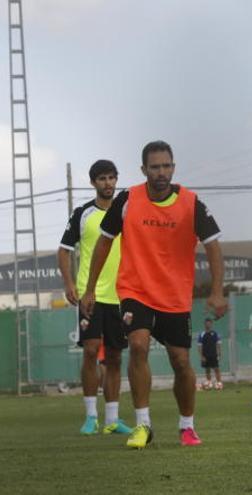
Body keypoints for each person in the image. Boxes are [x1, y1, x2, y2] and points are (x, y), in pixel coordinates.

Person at [80, 140, 228, 449]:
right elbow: (104, 242)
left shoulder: (191, 202)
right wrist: (91, 288)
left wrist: (217, 291)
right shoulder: (128, 200)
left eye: (166, 166)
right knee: (137, 345)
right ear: (143, 170)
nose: (161, 172)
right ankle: (143, 424)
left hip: (174, 294)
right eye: (155, 167)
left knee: (181, 361)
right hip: (136, 289)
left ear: (173, 168)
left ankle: (186, 425)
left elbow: (213, 245)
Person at [57, 160, 132, 436]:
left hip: (121, 295)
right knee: (90, 351)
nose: (108, 183)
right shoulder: (83, 214)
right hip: (92, 295)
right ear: (93, 183)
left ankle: (112, 418)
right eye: (102, 178)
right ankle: (91, 416)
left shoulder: (126, 213)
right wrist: (69, 284)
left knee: (114, 357)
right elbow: (63, 250)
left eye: (112, 177)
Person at [198, 318, 223, 389]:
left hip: (214, 354)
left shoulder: (215, 334)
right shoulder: (202, 334)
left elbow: (218, 344)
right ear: (204, 324)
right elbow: (200, 346)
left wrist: (219, 354)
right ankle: (209, 383)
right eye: (206, 323)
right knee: (207, 369)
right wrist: (201, 356)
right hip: (205, 355)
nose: (208, 324)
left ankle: (219, 383)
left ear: (211, 324)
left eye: (209, 323)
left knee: (216, 369)